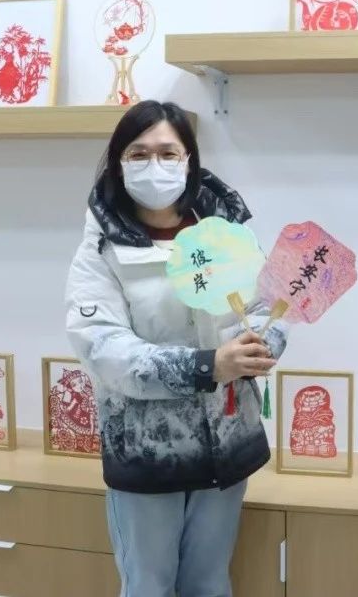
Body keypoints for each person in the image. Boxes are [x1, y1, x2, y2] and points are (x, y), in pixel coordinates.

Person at [65, 100, 287, 597]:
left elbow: (266, 304)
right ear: (119, 163)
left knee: (210, 583)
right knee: (149, 585)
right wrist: (208, 366)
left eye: (168, 153)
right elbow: (104, 348)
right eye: (139, 153)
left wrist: (263, 342)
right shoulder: (100, 249)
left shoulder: (227, 231)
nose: (155, 165)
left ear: (189, 160)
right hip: (148, 453)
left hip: (227, 444)